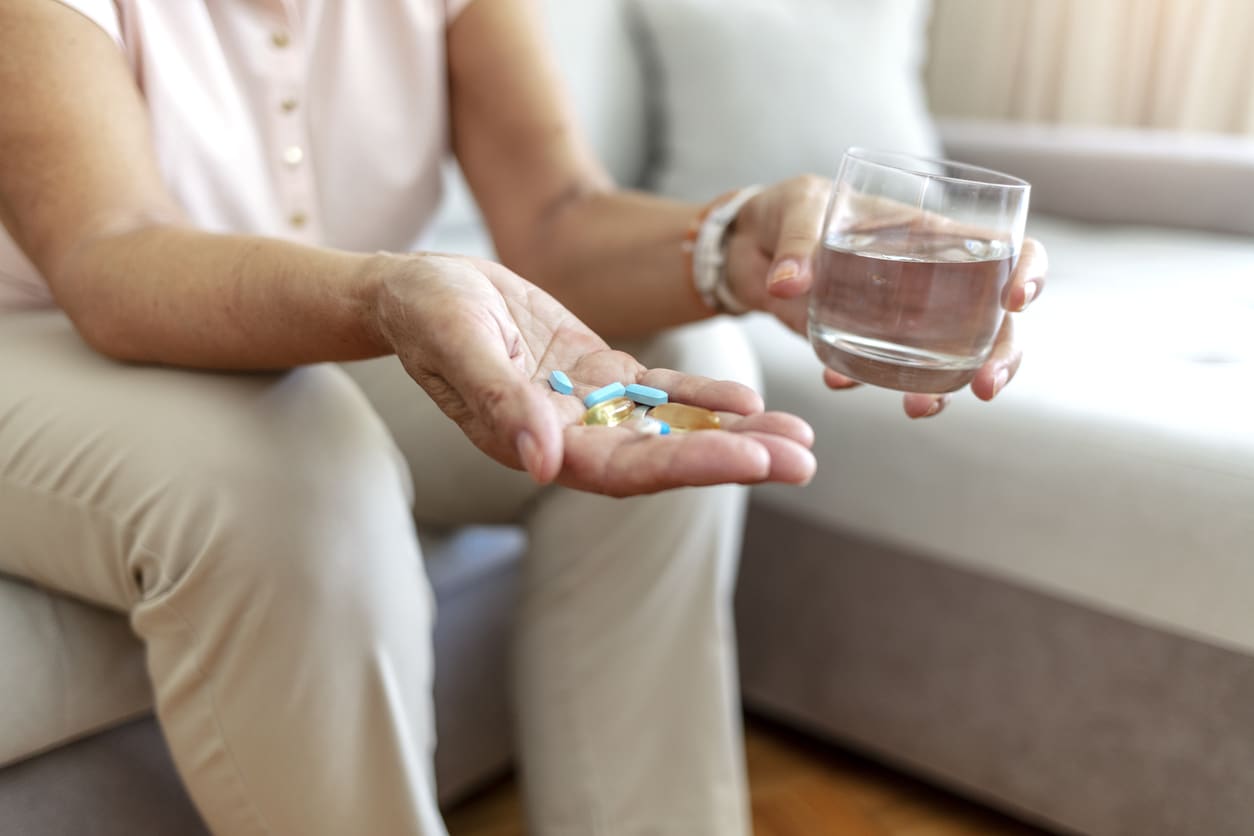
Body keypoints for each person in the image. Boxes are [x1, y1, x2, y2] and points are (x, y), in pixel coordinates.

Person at [0, 1, 1046, 834]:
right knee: (296, 464)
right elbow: (111, 250)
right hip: (47, 336)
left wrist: (740, 243)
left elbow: (555, 217)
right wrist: (382, 295)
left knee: (678, 370)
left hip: (333, 330)